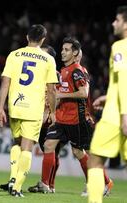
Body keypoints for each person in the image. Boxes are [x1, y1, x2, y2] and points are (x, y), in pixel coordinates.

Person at [28, 45, 113, 196]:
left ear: (75, 54)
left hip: (77, 119)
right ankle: (45, 184)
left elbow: (83, 93)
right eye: (62, 49)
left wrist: (60, 96)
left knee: (79, 152)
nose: (63, 52)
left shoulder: (77, 71)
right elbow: (59, 93)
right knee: (49, 145)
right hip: (62, 118)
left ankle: (104, 182)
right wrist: (52, 110)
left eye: (66, 50)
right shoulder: (63, 72)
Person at [0, 24, 58, 197]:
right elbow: (51, 90)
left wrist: (0, 107)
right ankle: (16, 187)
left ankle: (12, 179)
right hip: (33, 109)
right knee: (26, 148)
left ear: (27, 37)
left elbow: (5, 83)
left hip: (15, 106)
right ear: (43, 39)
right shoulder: (48, 59)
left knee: (17, 144)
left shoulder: (14, 55)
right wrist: (52, 112)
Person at [87, 6, 127, 203]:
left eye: (117, 20)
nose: (113, 23)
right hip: (117, 106)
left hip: (117, 115)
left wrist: (124, 115)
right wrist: (108, 96)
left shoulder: (120, 47)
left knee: (95, 160)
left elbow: (125, 79)